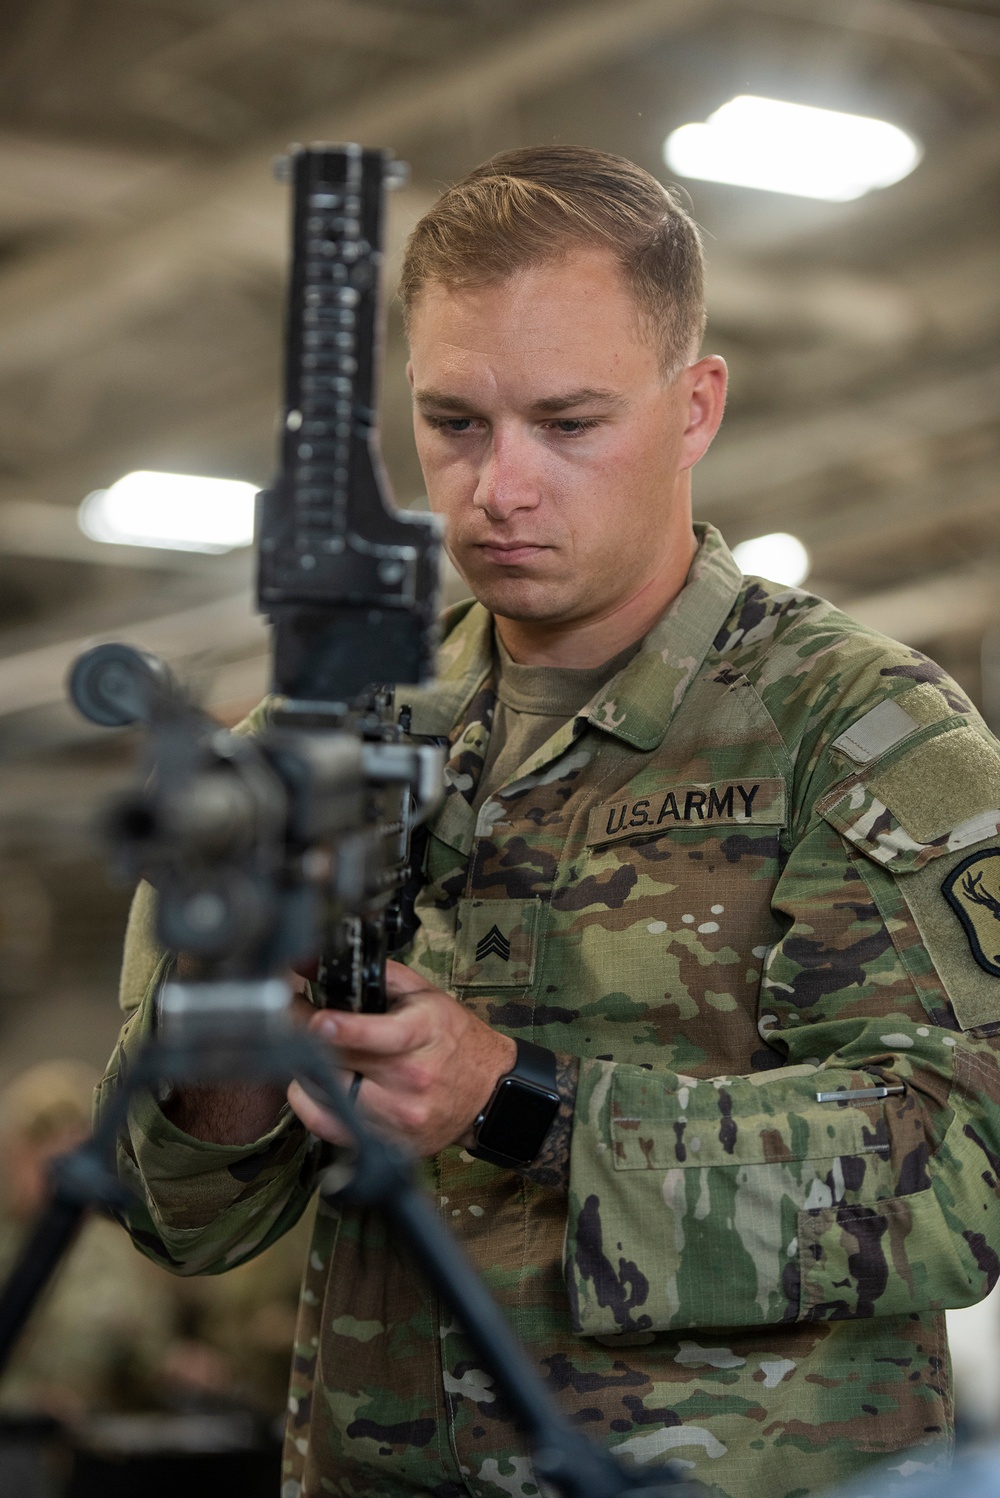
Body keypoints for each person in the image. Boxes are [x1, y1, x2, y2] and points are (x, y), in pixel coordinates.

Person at [98, 146, 1000, 1498]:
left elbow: (961, 1171)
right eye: (455, 422)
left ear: (696, 406)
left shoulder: (861, 730)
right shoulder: (312, 746)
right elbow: (177, 1219)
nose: (498, 486)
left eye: (569, 424)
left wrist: (520, 1102)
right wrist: (243, 991)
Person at [0, 1060, 174, 1419]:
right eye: (55, 1167)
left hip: (90, 1451)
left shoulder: (117, 1254)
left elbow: (141, 1358)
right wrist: (26, 1404)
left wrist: (174, 1368)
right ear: (18, 1157)